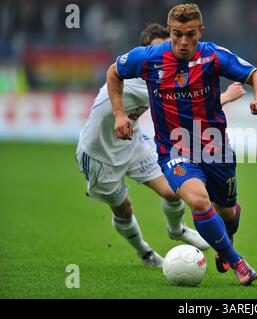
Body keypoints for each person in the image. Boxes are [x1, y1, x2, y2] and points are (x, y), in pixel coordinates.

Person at [107, 4, 257, 286]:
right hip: (174, 150)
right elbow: (113, 72)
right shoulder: (149, 58)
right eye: (178, 34)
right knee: (197, 199)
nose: (184, 42)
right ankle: (237, 262)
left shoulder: (214, 56)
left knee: (228, 213)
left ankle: (225, 238)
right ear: (170, 31)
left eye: (190, 35)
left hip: (215, 148)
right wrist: (120, 114)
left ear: (200, 32)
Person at [76, 22, 247, 268]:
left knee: (172, 188)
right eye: (160, 49)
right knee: (123, 208)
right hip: (100, 153)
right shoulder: (141, 77)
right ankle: (144, 253)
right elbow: (191, 103)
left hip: (132, 142)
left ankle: (176, 229)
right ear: (145, 54)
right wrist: (228, 96)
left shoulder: (172, 71)